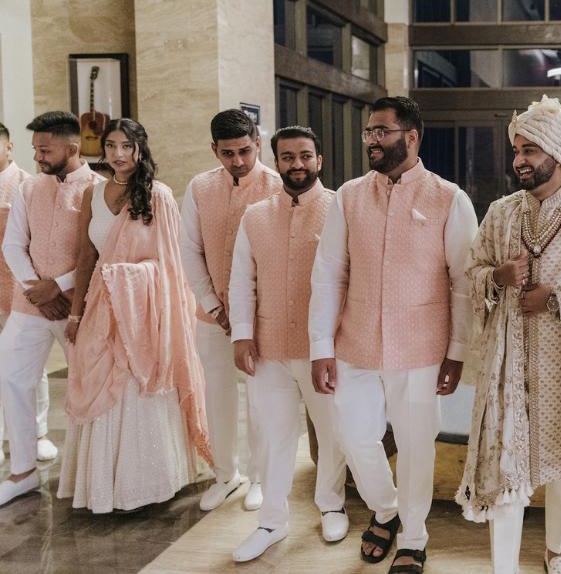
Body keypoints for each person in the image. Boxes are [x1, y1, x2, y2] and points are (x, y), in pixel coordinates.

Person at [457, 96, 561, 574]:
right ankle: (504, 567)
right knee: (504, 465)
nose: (519, 160)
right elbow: (473, 271)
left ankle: (556, 550)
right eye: (516, 150)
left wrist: (557, 297)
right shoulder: (500, 213)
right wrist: (497, 278)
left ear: (559, 155)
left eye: (529, 150)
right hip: (508, 366)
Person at [310, 96, 477, 574]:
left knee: (417, 445)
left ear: (411, 137)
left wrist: (457, 352)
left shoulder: (449, 198)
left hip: (423, 347)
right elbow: (329, 273)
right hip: (355, 342)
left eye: (381, 131)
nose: (372, 140)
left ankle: (413, 536)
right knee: (353, 436)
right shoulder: (349, 196)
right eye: (369, 132)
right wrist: (321, 346)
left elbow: (464, 282)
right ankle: (386, 510)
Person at [60, 119, 211, 511]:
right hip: (101, 310)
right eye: (111, 146)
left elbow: (172, 264)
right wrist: (75, 315)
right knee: (99, 385)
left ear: (140, 148)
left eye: (126, 146)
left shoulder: (158, 195)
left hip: (145, 315)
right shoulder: (93, 194)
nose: (118, 154)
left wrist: (129, 278)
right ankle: (104, 487)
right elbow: (85, 257)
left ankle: (148, 485)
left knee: (137, 388)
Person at [228, 126, 347, 561]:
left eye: (305, 156)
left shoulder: (340, 210)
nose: (297, 164)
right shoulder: (255, 215)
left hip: (324, 350)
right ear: (275, 161)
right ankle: (271, 522)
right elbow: (241, 279)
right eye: (288, 157)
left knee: (331, 433)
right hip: (268, 347)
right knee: (272, 436)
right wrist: (242, 334)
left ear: (319, 160)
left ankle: (331, 505)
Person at [180, 108, 281, 513]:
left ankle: (260, 477)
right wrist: (213, 305)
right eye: (228, 153)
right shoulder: (199, 187)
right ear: (214, 150)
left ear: (258, 143)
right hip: (212, 315)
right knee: (217, 395)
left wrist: (247, 315)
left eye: (244, 151)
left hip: (261, 317)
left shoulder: (277, 186)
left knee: (260, 398)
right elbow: (189, 249)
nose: (238, 160)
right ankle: (226, 475)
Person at [0, 111, 99, 506]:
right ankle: (22, 471)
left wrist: (58, 287)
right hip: (30, 305)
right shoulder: (28, 188)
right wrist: (37, 289)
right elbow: (12, 245)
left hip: (80, 308)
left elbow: (101, 252)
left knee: (87, 385)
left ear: (72, 148)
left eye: (45, 150)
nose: (38, 157)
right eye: (36, 149)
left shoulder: (99, 188)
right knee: (10, 375)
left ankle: (84, 471)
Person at [0, 123, 55, 469]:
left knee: (31, 364)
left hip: (20, 286)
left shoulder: (26, 184)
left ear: (9, 147)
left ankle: (38, 433)